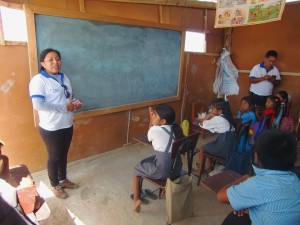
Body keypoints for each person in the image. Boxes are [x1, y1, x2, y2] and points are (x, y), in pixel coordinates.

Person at [29, 48, 83, 199]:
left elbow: (68, 96)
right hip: (51, 127)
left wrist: (74, 103)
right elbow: (38, 105)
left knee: (63, 155)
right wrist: (64, 107)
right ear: (42, 63)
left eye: (58, 59)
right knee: (54, 157)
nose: (55, 62)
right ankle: (54, 185)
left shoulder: (64, 77)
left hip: (67, 124)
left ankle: (63, 179)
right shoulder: (38, 80)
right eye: (50, 60)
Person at [217, 129, 300, 225]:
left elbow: (220, 196)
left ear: (258, 157)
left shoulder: (259, 184)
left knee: (233, 218)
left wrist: (244, 178)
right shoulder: (295, 178)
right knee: (235, 218)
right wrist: (248, 201)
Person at [132, 104, 184, 213]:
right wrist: (153, 115)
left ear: (163, 121)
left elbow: (149, 136)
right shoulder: (175, 128)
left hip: (163, 171)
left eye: (154, 115)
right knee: (148, 161)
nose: (152, 117)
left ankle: (136, 199)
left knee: (137, 169)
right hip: (176, 168)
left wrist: (150, 118)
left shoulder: (155, 130)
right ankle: (162, 191)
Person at [193, 98, 236, 173]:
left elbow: (202, 124)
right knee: (210, 144)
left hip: (224, 148)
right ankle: (208, 166)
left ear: (220, 111)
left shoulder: (218, 119)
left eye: (212, 109)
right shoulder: (226, 116)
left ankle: (199, 171)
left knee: (202, 148)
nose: (211, 111)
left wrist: (209, 116)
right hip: (230, 145)